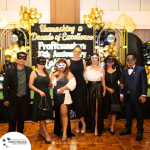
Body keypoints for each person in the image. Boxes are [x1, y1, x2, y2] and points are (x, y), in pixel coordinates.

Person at [119, 52, 147, 141]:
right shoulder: (124, 70)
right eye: (128, 59)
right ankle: (128, 129)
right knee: (128, 114)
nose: (130, 61)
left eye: (131, 59)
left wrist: (143, 95)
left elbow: (144, 84)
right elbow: (121, 83)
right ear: (126, 61)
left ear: (135, 60)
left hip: (138, 97)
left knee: (139, 115)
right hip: (127, 96)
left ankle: (140, 131)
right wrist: (121, 94)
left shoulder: (141, 70)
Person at [3, 52, 32, 133]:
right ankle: (11, 137)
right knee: (12, 119)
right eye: (20, 57)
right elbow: (5, 86)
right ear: (16, 59)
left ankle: (20, 136)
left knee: (22, 118)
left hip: (24, 99)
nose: (22, 59)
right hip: (13, 98)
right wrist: (6, 99)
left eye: (24, 58)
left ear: (26, 60)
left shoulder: (29, 70)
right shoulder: (10, 70)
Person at [51, 58, 76, 141]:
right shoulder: (56, 74)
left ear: (66, 66)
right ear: (57, 65)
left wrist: (64, 88)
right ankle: (61, 129)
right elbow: (50, 84)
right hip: (56, 97)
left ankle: (65, 132)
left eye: (63, 65)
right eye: (59, 65)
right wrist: (54, 74)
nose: (61, 67)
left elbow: (73, 84)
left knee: (64, 114)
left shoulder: (68, 74)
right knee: (59, 115)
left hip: (64, 98)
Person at [29, 56, 53, 143]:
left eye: (44, 62)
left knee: (44, 113)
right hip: (39, 96)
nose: (42, 64)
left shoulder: (46, 72)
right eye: (40, 62)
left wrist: (53, 78)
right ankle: (46, 133)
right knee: (42, 115)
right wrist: (39, 91)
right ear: (37, 63)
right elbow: (30, 85)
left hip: (46, 95)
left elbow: (49, 85)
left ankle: (40, 131)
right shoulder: (33, 72)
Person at [66, 45, 87, 134]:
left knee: (81, 104)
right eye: (76, 51)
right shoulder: (68, 61)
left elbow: (85, 72)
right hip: (73, 85)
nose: (77, 53)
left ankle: (78, 123)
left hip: (82, 85)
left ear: (81, 53)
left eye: (79, 52)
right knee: (77, 104)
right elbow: (65, 72)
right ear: (73, 52)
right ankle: (82, 122)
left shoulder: (83, 61)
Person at [84, 53, 106, 136]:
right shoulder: (86, 68)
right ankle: (91, 125)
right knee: (90, 107)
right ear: (91, 59)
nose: (94, 60)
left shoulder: (102, 69)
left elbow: (103, 80)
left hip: (98, 87)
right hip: (89, 88)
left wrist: (104, 90)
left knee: (97, 108)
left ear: (98, 59)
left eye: (96, 58)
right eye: (92, 58)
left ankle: (97, 127)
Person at [103, 55, 121, 135]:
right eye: (108, 61)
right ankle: (110, 124)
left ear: (113, 62)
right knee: (108, 110)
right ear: (106, 62)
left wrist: (121, 93)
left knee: (114, 109)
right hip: (106, 91)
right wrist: (108, 89)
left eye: (111, 61)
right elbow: (102, 82)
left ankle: (112, 126)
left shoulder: (117, 70)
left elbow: (121, 81)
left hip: (115, 91)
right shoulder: (103, 70)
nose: (109, 62)